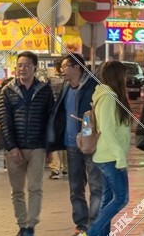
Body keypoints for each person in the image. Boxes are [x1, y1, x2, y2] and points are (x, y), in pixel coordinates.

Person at [0, 51, 56, 236]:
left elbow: (50, 119)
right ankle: (22, 224)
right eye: (20, 65)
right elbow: (4, 121)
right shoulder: (7, 91)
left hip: (37, 147)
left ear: (35, 68)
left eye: (27, 65)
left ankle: (30, 225)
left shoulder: (45, 91)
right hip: (15, 149)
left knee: (35, 187)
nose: (22, 69)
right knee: (17, 191)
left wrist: (49, 146)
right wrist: (11, 146)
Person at [46, 52, 102, 235]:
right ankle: (81, 225)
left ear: (77, 67)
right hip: (71, 144)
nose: (62, 71)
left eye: (65, 67)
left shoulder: (93, 86)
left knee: (96, 187)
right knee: (75, 187)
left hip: (91, 144)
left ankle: (94, 226)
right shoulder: (65, 87)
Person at [86, 62, 133, 236]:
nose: (126, 80)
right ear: (117, 77)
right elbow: (107, 129)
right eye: (124, 76)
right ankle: (92, 232)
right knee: (121, 198)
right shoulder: (107, 97)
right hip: (110, 157)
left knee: (108, 199)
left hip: (109, 155)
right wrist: (120, 157)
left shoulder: (110, 96)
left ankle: (100, 234)